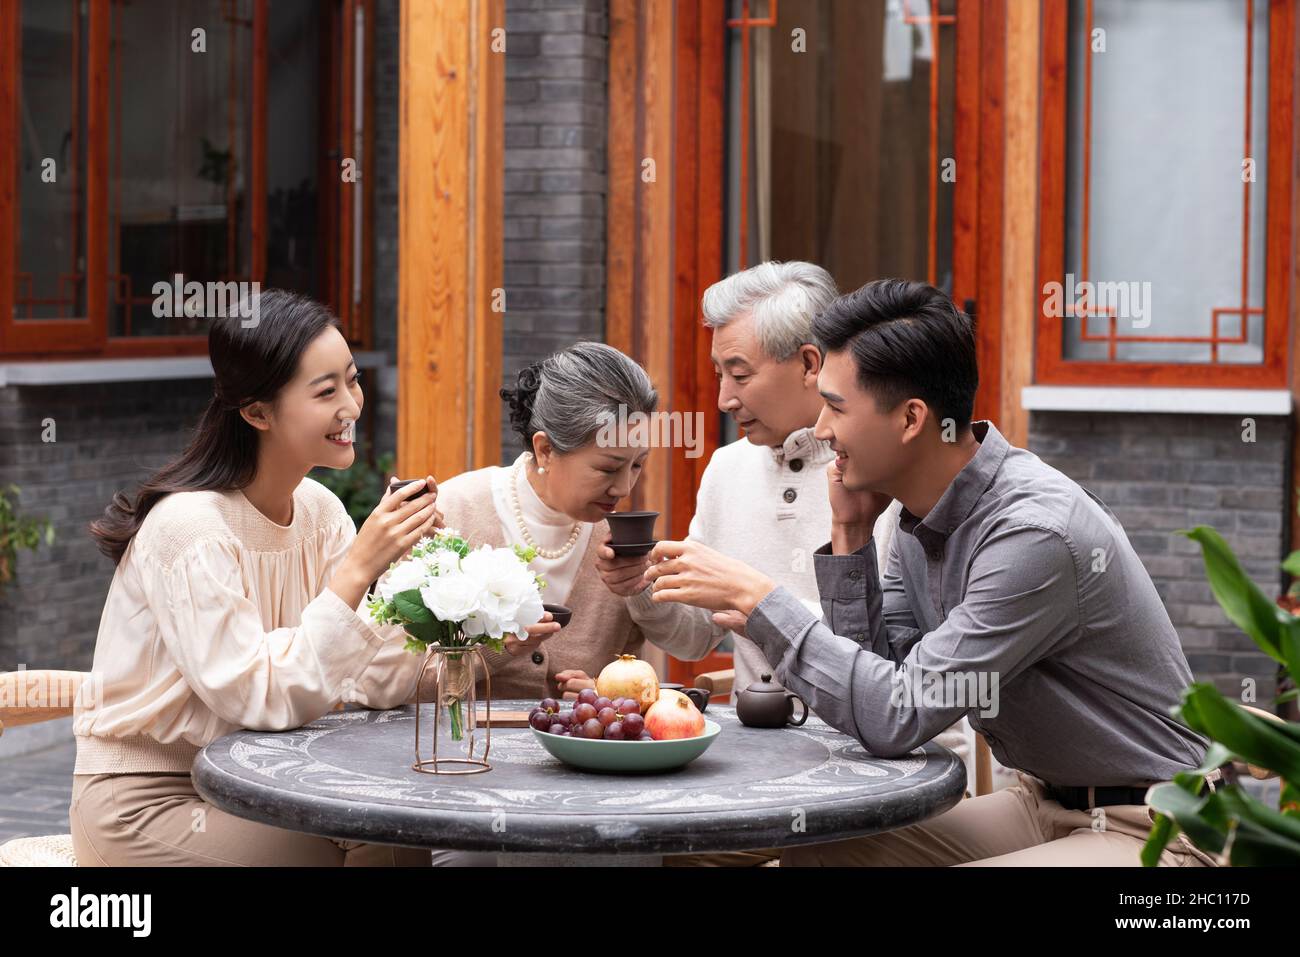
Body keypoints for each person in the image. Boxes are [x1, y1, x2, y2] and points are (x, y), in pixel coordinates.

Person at [643, 278, 1217, 866]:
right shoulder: (920, 514)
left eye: (836, 407)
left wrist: (763, 603)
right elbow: (873, 687)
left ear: (912, 418)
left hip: (1156, 826)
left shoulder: (1033, 535)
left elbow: (898, 715)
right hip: (1040, 804)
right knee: (820, 852)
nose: (820, 431)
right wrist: (850, 540)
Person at [71, 290, 440, 866]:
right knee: (309, 855)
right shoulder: (190, 526)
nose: (352, 406)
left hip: (268, 779)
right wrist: (359, 569)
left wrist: (416, 585)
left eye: (352, 379)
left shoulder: (318, 510)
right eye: (326, 392)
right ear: (257, 412)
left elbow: (368, 682)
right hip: (147, 797)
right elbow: (254, 695)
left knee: (394, 841)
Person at [596, 261, 902, 703]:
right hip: (760, 743)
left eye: (740, 375)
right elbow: (694, 638)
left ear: (809, 364)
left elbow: (896, 650)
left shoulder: (883, 471)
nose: (724, 399)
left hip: (871, 740)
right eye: (719, 374)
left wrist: (756, 600)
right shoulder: (727, 468)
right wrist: (640, 585)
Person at [434, 341, 659, 702]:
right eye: (608, 468)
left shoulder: (620, 537)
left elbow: (688, 644)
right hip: (460, 756)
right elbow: (387, 681)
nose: (624, 487)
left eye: (637, 465)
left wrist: (605, 694)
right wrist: (496, 650)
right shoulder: (451, 513)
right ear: (545, 449)